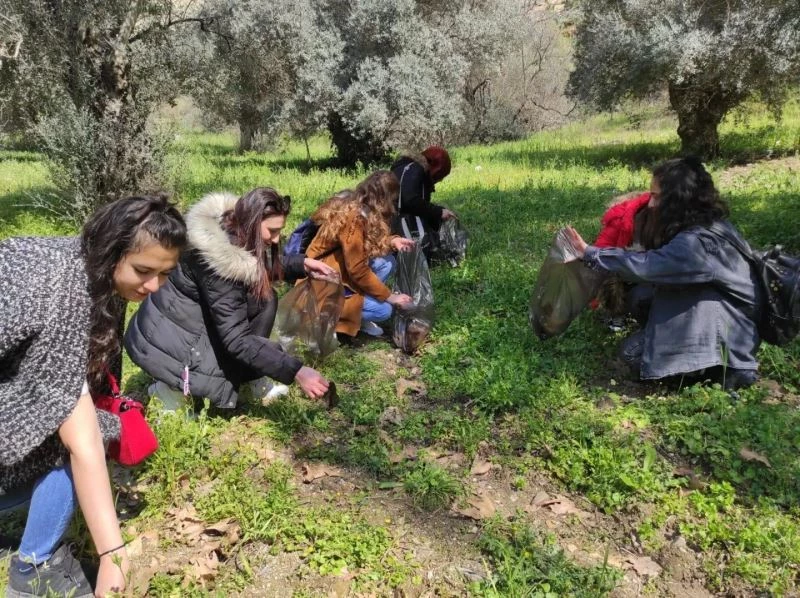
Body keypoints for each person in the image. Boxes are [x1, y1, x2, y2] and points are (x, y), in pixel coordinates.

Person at [0, 195, 187, 597]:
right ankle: (33, 569)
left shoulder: (95, 273)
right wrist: (113, 556)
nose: (153, 286)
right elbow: (82, 436)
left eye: (165, 273)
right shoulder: (60, 290)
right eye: (144, 271)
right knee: (89, 434)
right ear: (111, 250)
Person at [124, 188, 334, 410]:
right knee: (244, 321)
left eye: (279, 232)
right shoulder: (219, 262)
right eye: (272, 231)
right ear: (252, 222)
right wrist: (297, 371)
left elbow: (255, 265)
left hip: (180, 322)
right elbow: (237, 340)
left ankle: (252, 375)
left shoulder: (233, 228)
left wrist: (301, 264)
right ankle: (168, 390)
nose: (275, 240)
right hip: (168, 340)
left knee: (264, 298)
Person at [565, 157, 762, 390]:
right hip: (720, 315)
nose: (650, 204)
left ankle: (719, 370)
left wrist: (590, 253)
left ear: (678, 200)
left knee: (632, 354)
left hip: (729, 334)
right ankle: (693, 354)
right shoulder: (707, 225)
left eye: (656, 196)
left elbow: (648, 265)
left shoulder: (697, 244)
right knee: (640, 296)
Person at [304, 171, 415, 338]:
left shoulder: (361, 209)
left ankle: (357, 309)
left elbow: (369, 243)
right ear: (383, 199)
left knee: (387, 263)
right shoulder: (353, 219)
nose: (392, 205)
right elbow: (357, 269)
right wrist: (390, 296)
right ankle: (330, 319)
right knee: (384, 310)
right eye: (392, 200)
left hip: (339, 271)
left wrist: (393, 241)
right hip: (323, 282)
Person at [390, 146, 457, 251]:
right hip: (399, 226)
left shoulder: (403, 167)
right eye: (438, 177)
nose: (437, 181)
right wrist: (439, 212)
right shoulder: (416, 170)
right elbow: (410, 201)